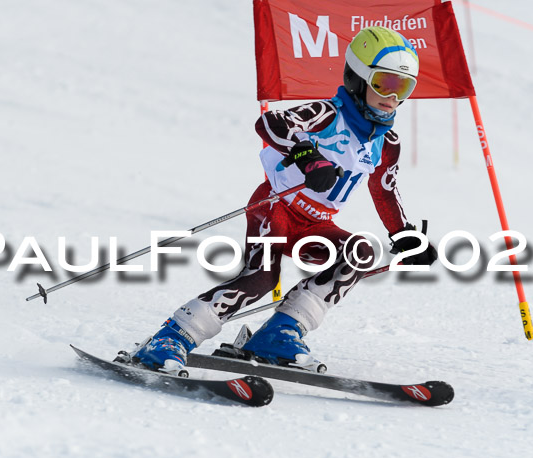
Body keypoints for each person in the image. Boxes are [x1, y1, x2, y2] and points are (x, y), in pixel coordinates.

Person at [116, 27, 438, 375]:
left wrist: (404, 235)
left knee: (358, 253)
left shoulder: (386, 142)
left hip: (315, 224)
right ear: (357, 78)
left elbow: (385, 189)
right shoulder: (327, 114)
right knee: (261, 279)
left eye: (403, 87)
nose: (392, 97)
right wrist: (308, 156)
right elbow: (271, 123)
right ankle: (170, 337)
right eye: (383, 83)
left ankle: (280, 332)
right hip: (276, 207)